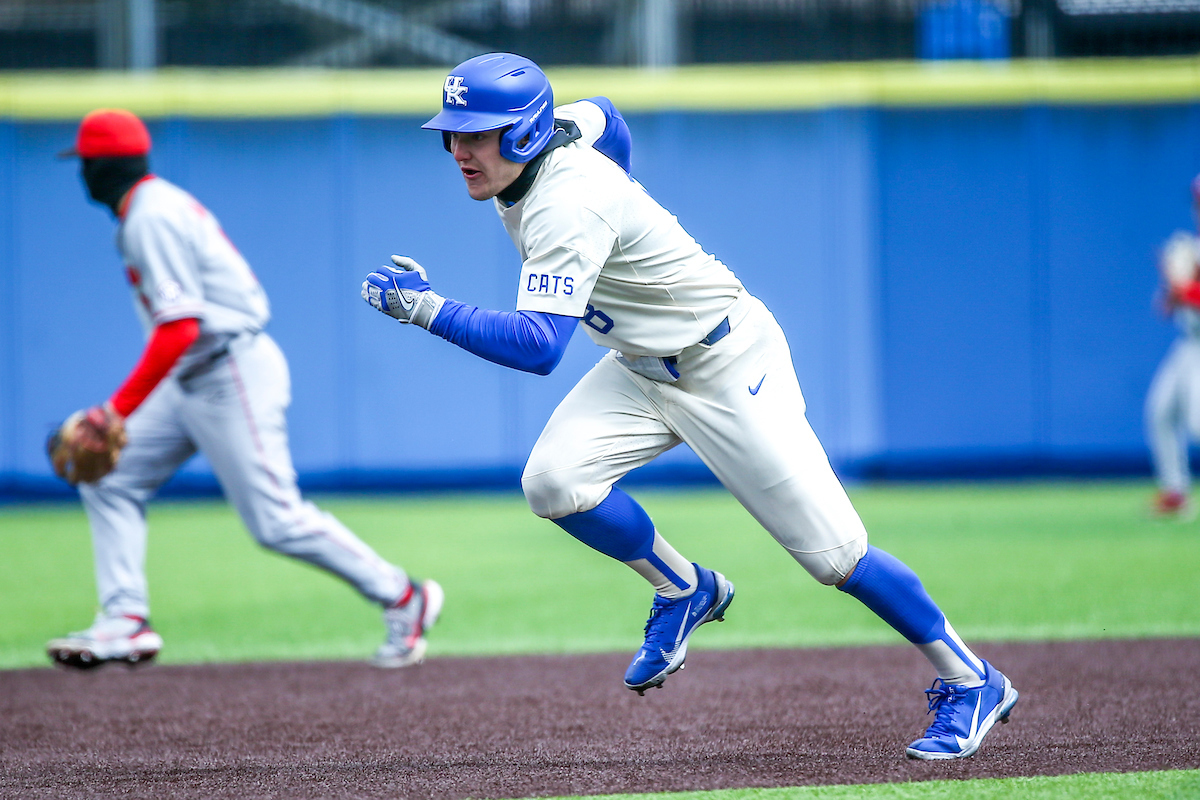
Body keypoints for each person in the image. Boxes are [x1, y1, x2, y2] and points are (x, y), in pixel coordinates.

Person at [361, 53, 1017, 760]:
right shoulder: (561, 138)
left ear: (523, 133)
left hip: (727, 364)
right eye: (451, 134)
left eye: (476, 134)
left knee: (836, 558)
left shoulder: (566, 205)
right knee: (554, 481)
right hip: (643, 367)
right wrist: (626, 197)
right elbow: (605, 113)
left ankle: (971, 677)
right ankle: (684, 588)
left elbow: (536, 347)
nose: (458, 150)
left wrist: (426, 310)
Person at [48, 108, 442, 670]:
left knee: (276, 521)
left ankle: (406, 596)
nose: (81, 174)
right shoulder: (150, 207)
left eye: (84, 163)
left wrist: (113, 411)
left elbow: (181, 326)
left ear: (102, 166)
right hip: (193, 373)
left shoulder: (148, 218)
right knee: (110, 479)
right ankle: (125, 619)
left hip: (229, 371)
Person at [1145, 175, 1200, 519]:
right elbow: (1175, 303)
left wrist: (1186, 291)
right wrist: (1171, 295)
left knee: (1197, 423)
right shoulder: (1191, 246)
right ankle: (1176, 493)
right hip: (1189, 344)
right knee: (1161, 411)